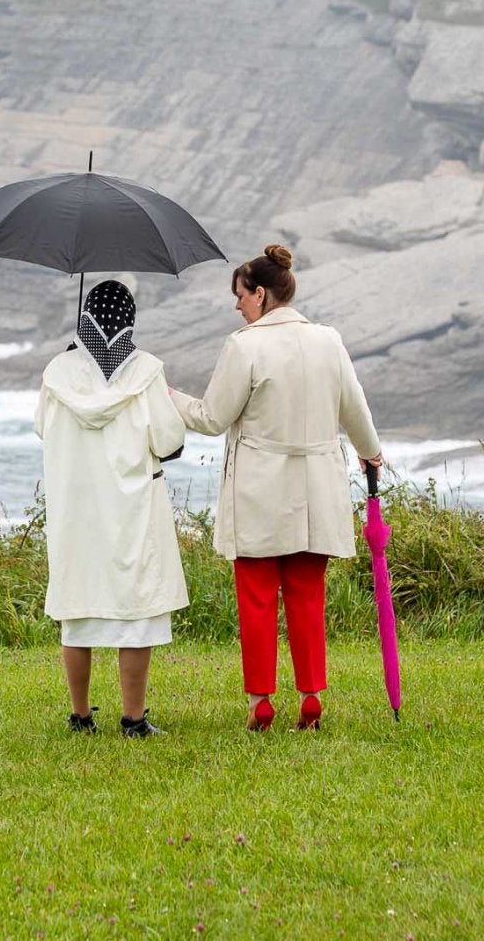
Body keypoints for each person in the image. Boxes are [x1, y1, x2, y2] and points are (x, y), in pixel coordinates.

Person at [170, 244, 382, 732]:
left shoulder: (244, 346)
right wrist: (370, 452)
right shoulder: (328, 340)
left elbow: (212, 418)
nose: (237, 306)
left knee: (258, 598)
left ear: (261, 294)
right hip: (318, 487)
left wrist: (167, 395)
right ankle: (310, 696)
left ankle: (261, 701)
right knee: (307, 596)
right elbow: (354, 409)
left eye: (241, 296)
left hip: (258, 490)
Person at [36, 279, 188, 738]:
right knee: (136, 616)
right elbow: (169, 439)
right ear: (129, 322)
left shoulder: (56, 373)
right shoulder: (146, 372)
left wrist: (72, 360)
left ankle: (81, 715)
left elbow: (42, 428)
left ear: (85, 320)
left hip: (76, 510)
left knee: (78, 612)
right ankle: (133, 719)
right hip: (132, 510)